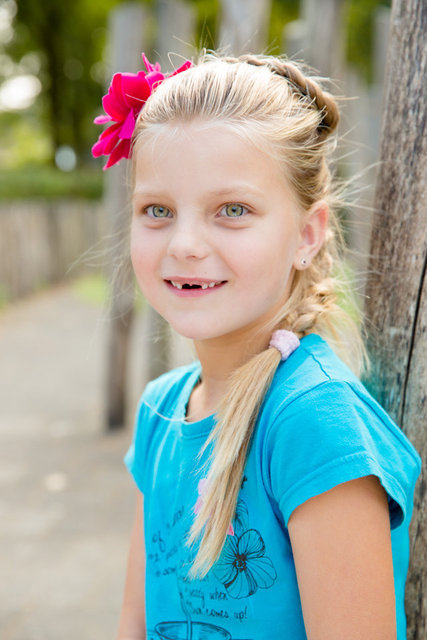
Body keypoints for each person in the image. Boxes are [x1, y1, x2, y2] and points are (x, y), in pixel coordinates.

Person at [92, 52, 421, 640]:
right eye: (157, 210)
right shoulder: (161, 410)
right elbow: (133, 621)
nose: (185, 243)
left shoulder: (315, 424)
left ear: (307, 234)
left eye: (233, 210)